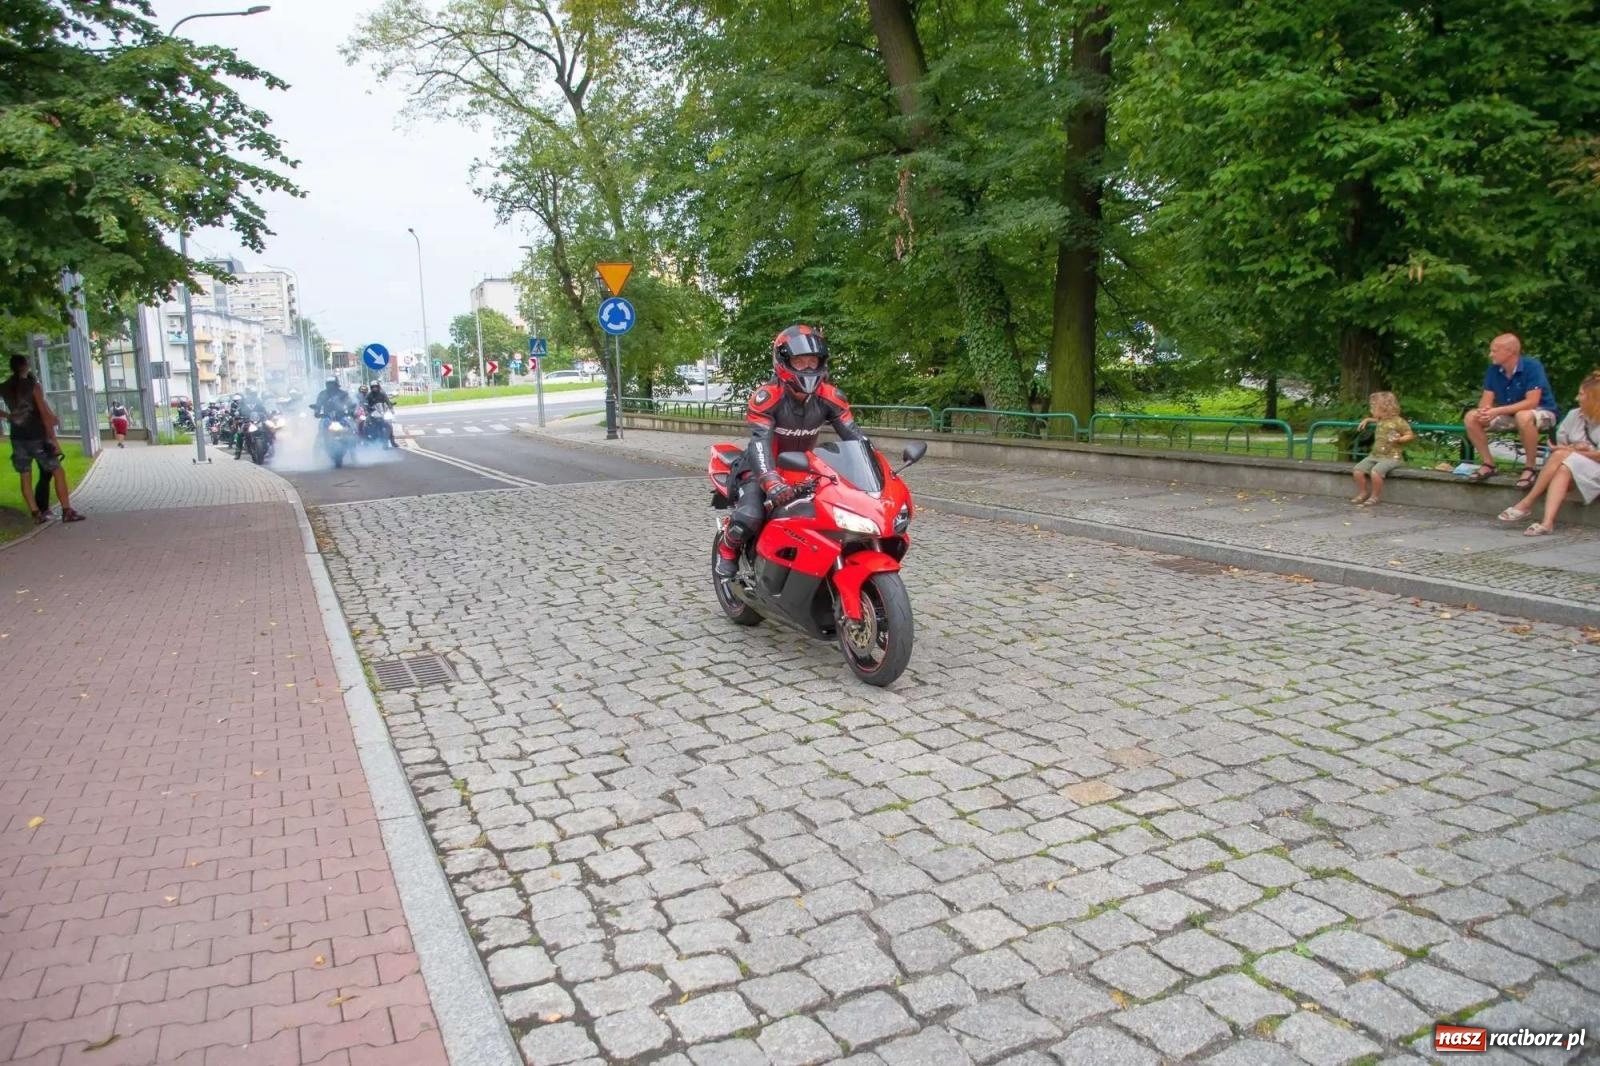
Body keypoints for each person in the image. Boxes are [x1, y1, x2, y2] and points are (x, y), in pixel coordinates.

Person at [715, 324, 866, 579]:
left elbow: (856, 438)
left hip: (804, 468)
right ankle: (727, 547)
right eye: (800, 361)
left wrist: (878, 472)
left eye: (813, 360)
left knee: (833, 515)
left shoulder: (831, 397)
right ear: (784, 362)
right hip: (760, 467)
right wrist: (770, 480)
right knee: (751, 516)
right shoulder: (767, 397)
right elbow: (760, 442)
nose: (808, 367)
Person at [1496, 370, 1600, 536]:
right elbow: (1559, 444)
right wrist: (1573, 449)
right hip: (1576, 466)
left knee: (1561, 457)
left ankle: (1526, 503)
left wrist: (1573, 451)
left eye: (1581, 394)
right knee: (1563, 468)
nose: (1577, 398)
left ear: (1594, 398)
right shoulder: (1574, 415)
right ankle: (1547, 522)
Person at [1463, 333, 1559, 488]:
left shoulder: (1532, 367)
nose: (1490, 354)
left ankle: (1530, 468)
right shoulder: (1493, 370)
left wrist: (1497, 411)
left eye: (1494, 351)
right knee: (1471, 417)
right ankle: (1489, 464)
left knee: (1524, 416)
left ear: (1510, 351)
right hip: (1508, 415)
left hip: (1542, 412)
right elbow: (1486, 400)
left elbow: (1532, 402)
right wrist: (1484, 411)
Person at [1, 354, 84, 523]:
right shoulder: (33, 386)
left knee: (25, 474)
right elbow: (44, 414)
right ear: (25, 366)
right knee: (58, 471)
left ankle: (35, 513)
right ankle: (67, 510)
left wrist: (9, 417)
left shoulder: (4, 387)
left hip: (17, 437)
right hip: (37, 435)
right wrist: (52, 438)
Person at [1350, 391, 1415, 507]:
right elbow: (1376, 420)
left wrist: (1399, 439)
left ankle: (1375, 496)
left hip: (1392, 457)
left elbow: (1410, 435)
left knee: (1376, 472)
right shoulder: (1381, 419)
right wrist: (1367, 420)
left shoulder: (1399, 421)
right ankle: (1363, 492)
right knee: (1357, 470)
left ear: (1385, 408)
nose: (1372, 410)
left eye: (1374, 408)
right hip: (1375, 455)